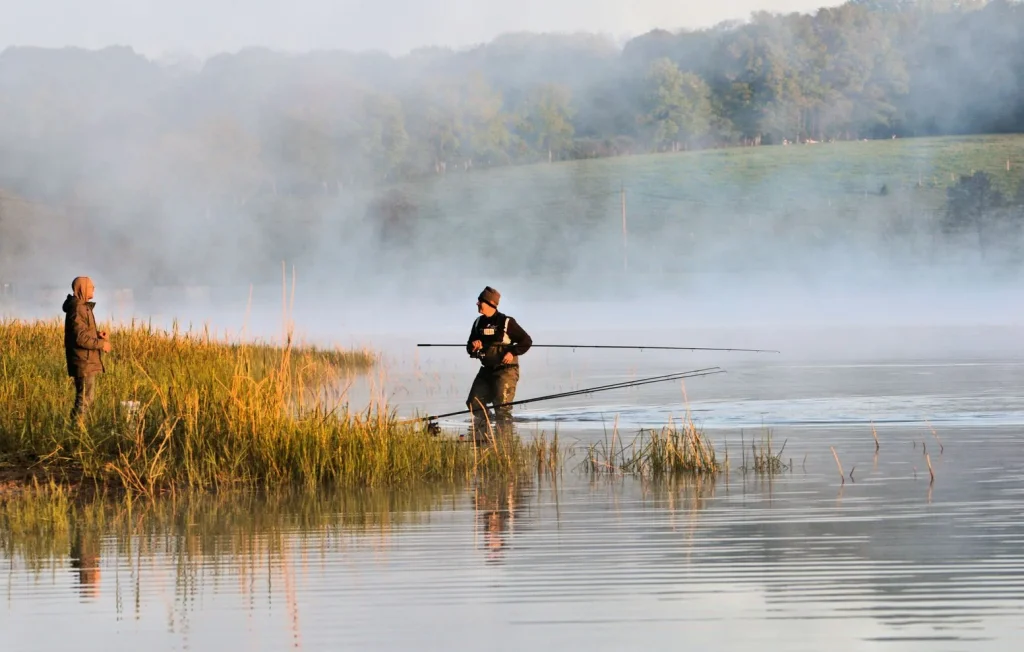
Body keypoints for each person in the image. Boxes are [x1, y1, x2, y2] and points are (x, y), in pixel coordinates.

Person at [465, 286, 532, 443]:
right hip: (486, 370)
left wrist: (512, 352)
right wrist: (473, 347)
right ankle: (484, 439)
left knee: (502, 408)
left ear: (489, 303)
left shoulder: (506, 322)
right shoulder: (477, 323)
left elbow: (526, 341)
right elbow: (469, 347)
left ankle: (504, 445)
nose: (477, 304)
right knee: (473, 403)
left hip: (506, 370)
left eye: (479, 301)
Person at [62, 276, 111, 422]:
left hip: (85, 360)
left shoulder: (81, 307)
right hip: (84, 361)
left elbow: (80, 332)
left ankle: (76, 429)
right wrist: (102, 344)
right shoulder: (78, 308)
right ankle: (77, 432)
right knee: (84, 400)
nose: (93, 289)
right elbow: (80, 338)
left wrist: (97, 335)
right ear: (82, 288)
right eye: (91, 287)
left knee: (85, 399)